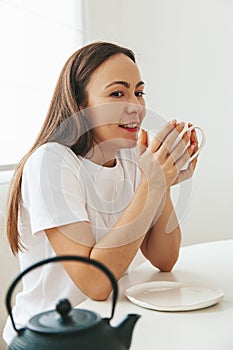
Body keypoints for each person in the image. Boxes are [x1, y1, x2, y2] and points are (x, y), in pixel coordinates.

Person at [3, 41, 198, 345]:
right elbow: (96, 282)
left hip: (101, 322)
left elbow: (164, 258)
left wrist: (163, 179)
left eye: (139, 92)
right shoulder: (51, 162)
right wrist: (153, 182)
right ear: (80, 106)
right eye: (117, 93)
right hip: (48, 338)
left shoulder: (131, 155)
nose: (136, 105)